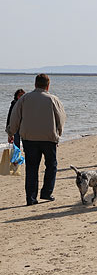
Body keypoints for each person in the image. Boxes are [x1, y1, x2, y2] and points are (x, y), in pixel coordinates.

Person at [6, 74, 66, 206]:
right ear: (48, 86)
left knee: (32, 168)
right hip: (49, 138)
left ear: (35, 84)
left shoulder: (25, 98)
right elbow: (61, 119)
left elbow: (15, 117)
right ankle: (46, 192)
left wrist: (11, 132)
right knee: (51, 165)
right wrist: (58, 133)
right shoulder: (53, 99)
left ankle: (31, 198)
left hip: (29, 138)